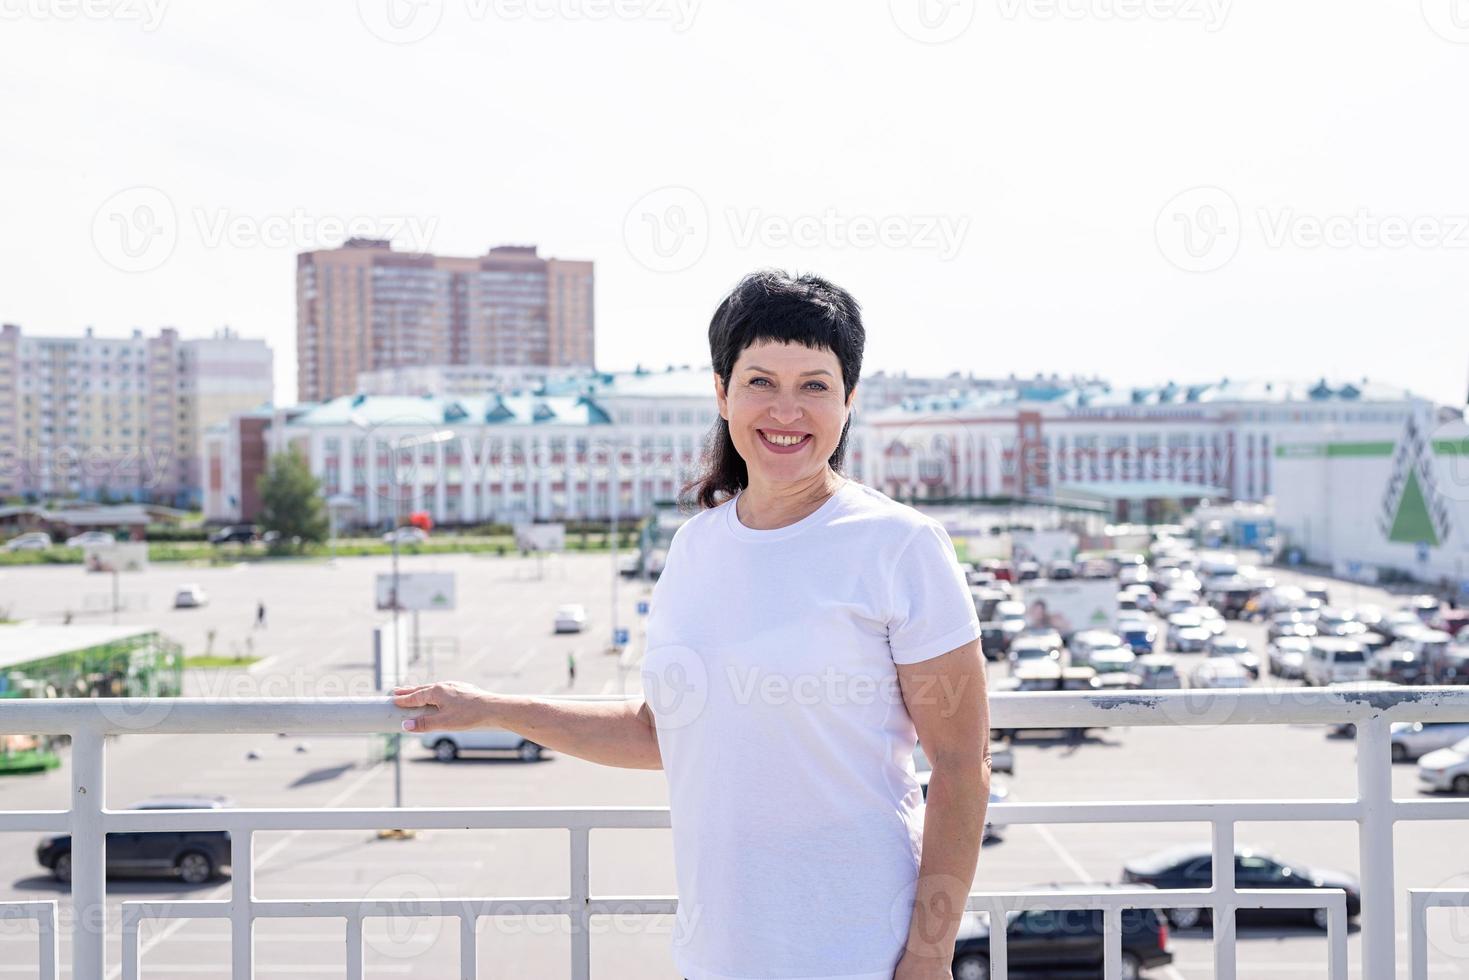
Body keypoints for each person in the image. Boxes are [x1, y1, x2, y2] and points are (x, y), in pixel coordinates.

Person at [392, 270, 991, 980]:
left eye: (815, 385)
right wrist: (493, 709)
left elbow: (961, 767)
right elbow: (661, 732)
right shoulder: (695, 548)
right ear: (721, 391)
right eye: (760, 381)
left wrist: (927, 954)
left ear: (849, 398)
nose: (786, 410)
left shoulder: (899, 545)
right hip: (717, 956)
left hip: (861, 949)